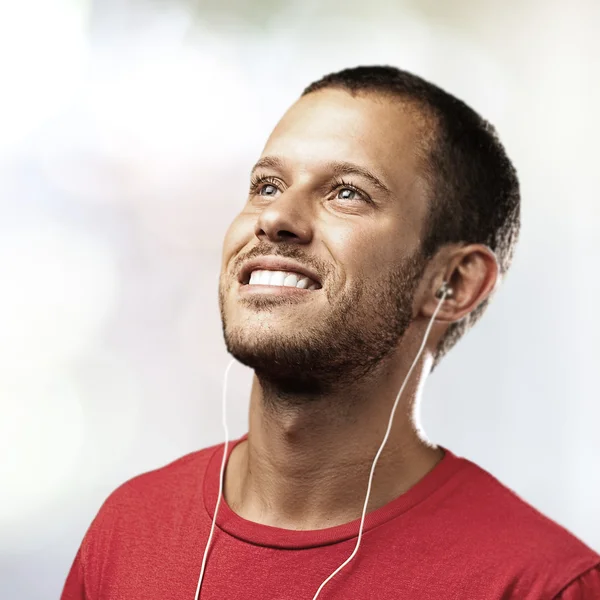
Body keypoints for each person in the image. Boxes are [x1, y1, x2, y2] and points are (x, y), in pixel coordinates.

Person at [61, 65, 600, 600]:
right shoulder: (128, 528)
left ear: (452, 283)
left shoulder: (541, 584)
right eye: (267, 185)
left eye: (347, 193)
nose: (274, 217)